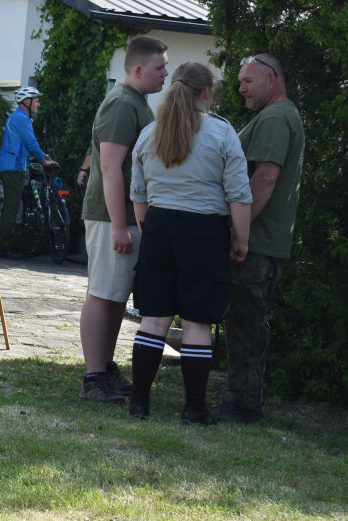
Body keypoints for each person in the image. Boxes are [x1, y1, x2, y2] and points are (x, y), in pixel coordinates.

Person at [126, 62, 252, 424]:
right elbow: (239, 195)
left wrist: (149, 229)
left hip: (159, 226)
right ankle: (194, 407)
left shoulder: (150, 134)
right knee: (197, 323)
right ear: (207, 93)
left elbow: (139, 194)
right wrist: (240, 239)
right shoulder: (222, 134)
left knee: (154, 320)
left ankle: (139, 402)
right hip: (204, 232)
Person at [214, 54, 304, 424]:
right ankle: (245, 398)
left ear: (271, 79)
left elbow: (264, 179)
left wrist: (239, 233)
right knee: (246, 322)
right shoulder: (276, 117)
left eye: (248, 80)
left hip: (257, 246)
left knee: (247, 326)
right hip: (260, 244)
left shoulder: (276, 118)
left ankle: (244, 404)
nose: (241, 87)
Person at [78, 35, 169, 404]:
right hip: (109, 216)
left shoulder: (136, 101)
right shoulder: (120, 104)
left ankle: (105, 369)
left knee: (115, 296)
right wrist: (119, 225)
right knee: (102, 295)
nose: (165, 74)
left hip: (124, 216)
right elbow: (110, 166)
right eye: (160, 67)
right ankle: (93, 377)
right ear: (138, 68)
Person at [0, 86, 54, 260]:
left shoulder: (20, 117)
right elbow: (31, 143)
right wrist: (43, 160)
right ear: (26, 102)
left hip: (13, 166)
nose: (39, 104)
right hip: (13, 167)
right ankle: (2, 247)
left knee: (12, 206)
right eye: (36, 101)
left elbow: (29, 144)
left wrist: (44, 156)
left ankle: (5, 244)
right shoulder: (21, 118)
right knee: (12, 207)